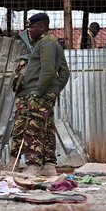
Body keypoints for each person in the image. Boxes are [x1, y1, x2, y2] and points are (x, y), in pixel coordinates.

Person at [12, 13, 70, 177]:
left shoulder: (46, 43)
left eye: (31, 27)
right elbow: (65, 72)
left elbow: (48, 71)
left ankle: (33, 166)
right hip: (44, 93)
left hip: (40, 94)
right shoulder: (49, 43)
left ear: (42, 27)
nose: (29, 30)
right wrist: (54, 90)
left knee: (34, 129)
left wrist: (39, 92)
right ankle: (49, 166)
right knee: (46, 129)